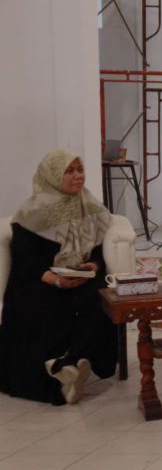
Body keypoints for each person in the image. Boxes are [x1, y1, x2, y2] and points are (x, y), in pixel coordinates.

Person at [0, 150, 117, 405]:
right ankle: (58, 373)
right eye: (70, 171)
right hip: (41, 278)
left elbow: (98, 249)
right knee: (39, 307)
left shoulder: (89, 203)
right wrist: (53, 279)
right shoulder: (34, 209)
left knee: (100, 298)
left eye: (80, 169)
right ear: (53, 176)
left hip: (81, 276)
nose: (78, 176)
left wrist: (94, 266)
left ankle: (70, 363)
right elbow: (24, 258)